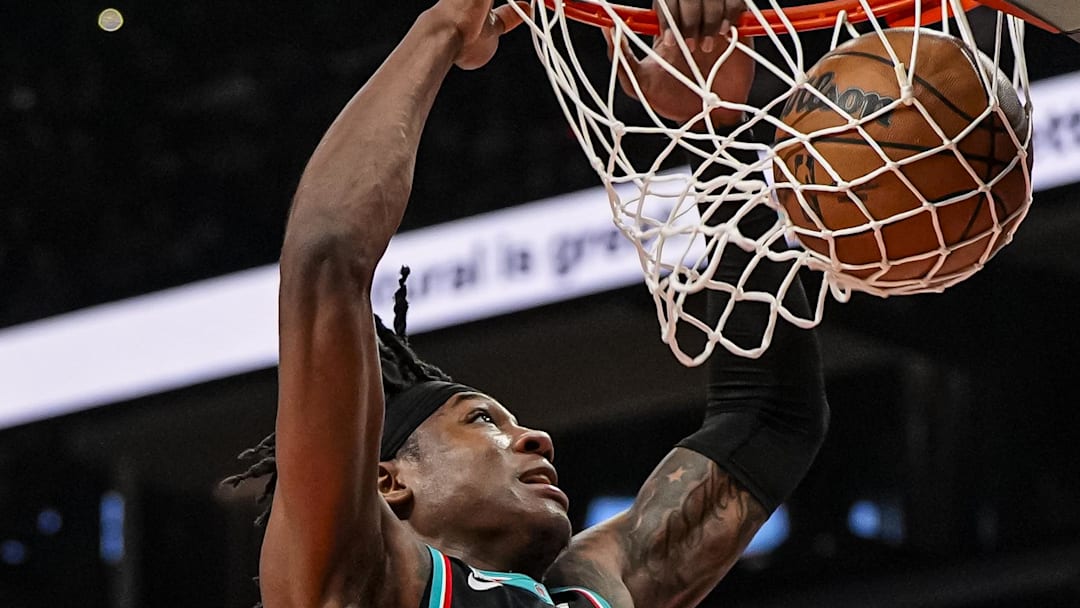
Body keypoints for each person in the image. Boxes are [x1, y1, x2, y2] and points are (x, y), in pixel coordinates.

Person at [225, 0, 829, 606]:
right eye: (482, 420)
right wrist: (441, 28)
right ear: (387, 483)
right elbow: (326, 257)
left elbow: (770, 422)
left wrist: (710, 125)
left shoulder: (590, 587)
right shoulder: (366, 584)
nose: (537, 438)